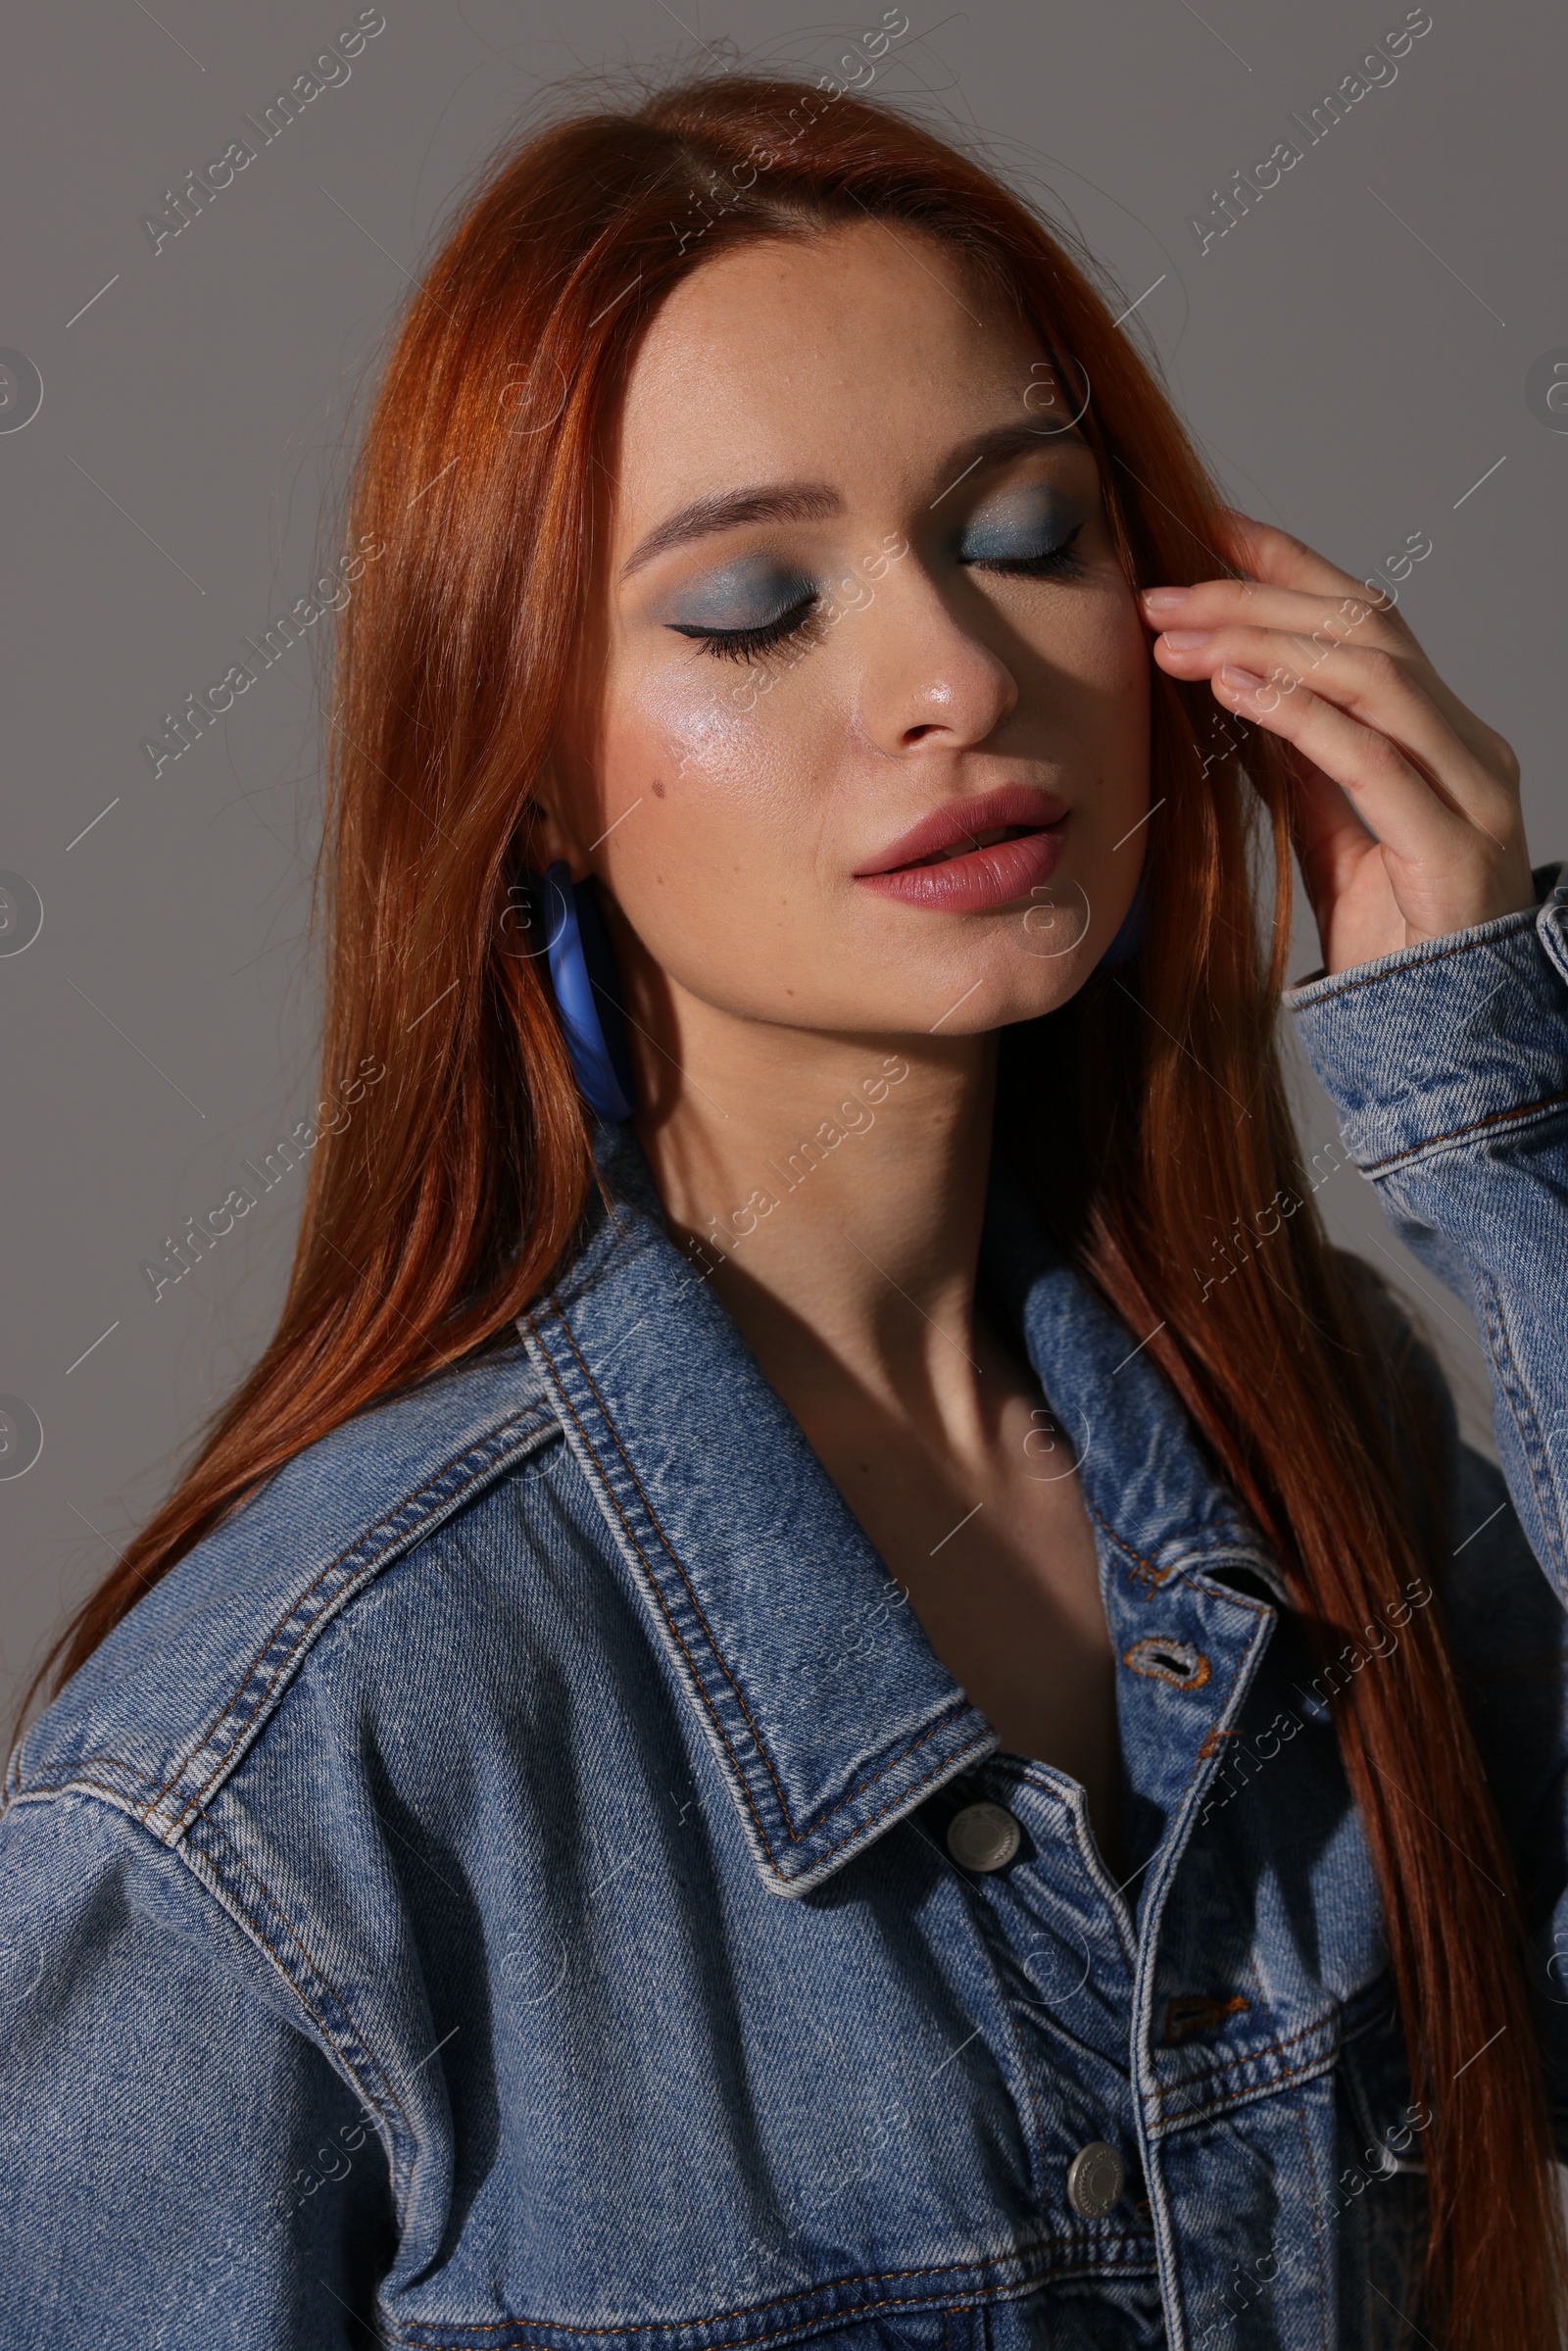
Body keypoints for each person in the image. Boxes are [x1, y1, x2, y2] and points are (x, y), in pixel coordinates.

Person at [3, 66, 1566, 2351]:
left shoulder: (1313, 1427)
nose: (951, 679)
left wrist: (1486, 1099)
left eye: (1026, 534)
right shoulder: (282, 1778)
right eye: (751, 605)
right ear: (528, 774)